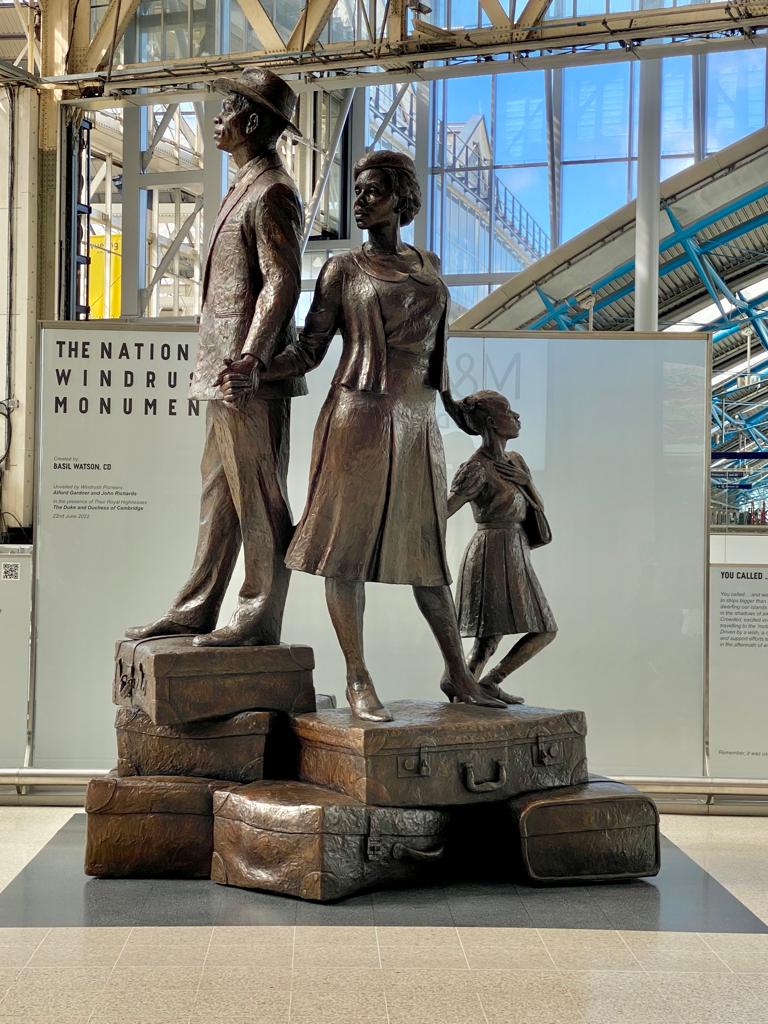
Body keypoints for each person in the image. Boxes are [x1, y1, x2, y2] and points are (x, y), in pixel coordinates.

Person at [264, 150, 505, 721]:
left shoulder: (430, 263)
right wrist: (257, 365)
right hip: (359, 419)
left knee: (426, 555)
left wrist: (455, 407)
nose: (361, 199)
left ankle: (459, 674)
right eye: (358, 190)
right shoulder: (342, 271)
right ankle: (356, 677)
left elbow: (438, 353)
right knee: (345, 553)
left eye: (372, 190)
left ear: (401, 198)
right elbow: (310, 350)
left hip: (419, 423)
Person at [126, 69, 306, 647]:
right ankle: (199, 606)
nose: (216, 118)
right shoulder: (244, 188)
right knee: (219, 495)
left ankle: (258, 614)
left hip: (247, 377)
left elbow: (282, 282)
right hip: (224, 375)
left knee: (258, 495)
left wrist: (253, 357)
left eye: (227, 109)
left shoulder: (273, 191)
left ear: (252, 123)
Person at [447, 390, 558, 704]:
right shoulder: (476, 468)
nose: (517, 417)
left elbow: (536, 506)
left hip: (515, 548)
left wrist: (526, 481)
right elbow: (445, 509)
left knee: (502, 637)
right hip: (491, 552)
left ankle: (475, 684)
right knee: (497, 637)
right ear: (494, 423)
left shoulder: (515, 461)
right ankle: (472, 686)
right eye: (510, 411)